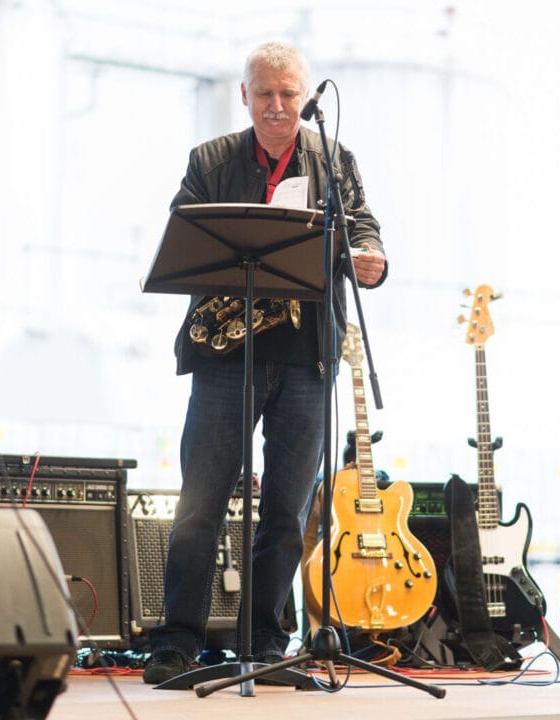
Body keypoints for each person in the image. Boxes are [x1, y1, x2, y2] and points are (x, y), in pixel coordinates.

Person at [143, 41, 387, 684]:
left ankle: (267, 643)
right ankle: (178, 641)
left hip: (308, 356)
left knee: (289, 509)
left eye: (289, 94)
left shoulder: (335, 160)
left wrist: (370, 255)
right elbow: (182, 237)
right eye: (265, 94)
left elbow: (364, 226)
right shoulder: (211, 160)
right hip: (224, 355)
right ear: (244, 95)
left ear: (307, 97)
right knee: (201, 502)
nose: (278, 106)